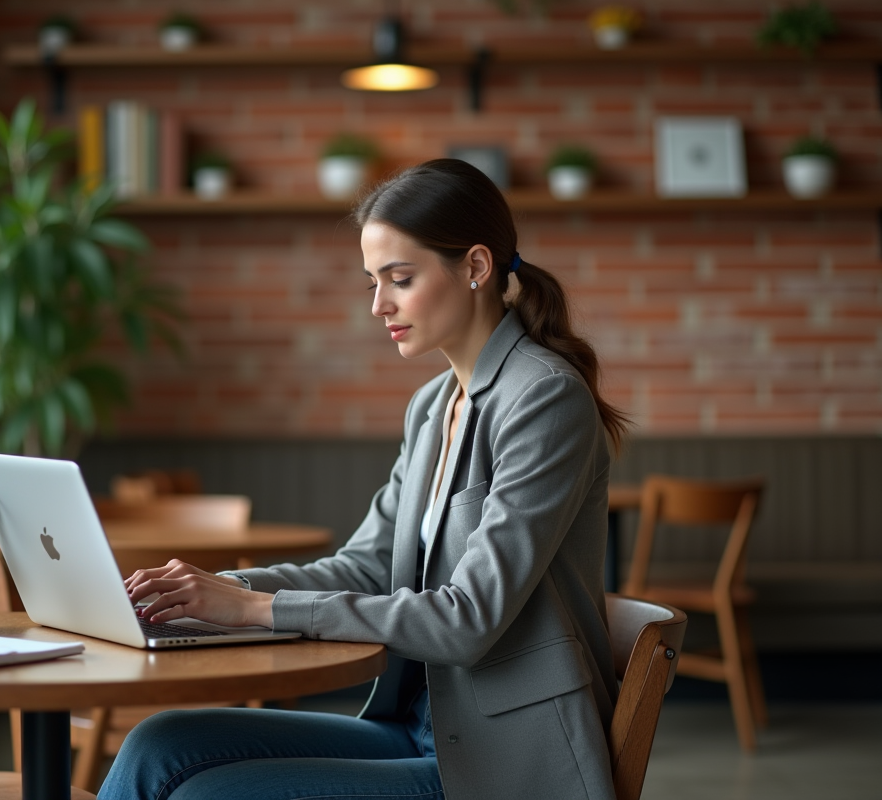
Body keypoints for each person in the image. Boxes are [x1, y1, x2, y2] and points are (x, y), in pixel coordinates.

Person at [100, 158, 630, 800]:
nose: (379, 305)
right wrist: (216, 591)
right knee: (159, 745)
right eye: (373, 282)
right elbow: (365, 567)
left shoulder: (543, 399)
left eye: (400, 279)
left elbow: (469, 619)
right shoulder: (434, 406)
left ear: (476, 267)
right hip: (423, 729)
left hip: (505, 764)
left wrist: (255, 610)